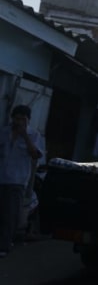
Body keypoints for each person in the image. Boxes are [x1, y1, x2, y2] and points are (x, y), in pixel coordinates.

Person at [0, 105, 43, 258]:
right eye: (16, 118)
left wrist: (24, 135)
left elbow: (36, 155)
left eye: (22, 119)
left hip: (17, 180)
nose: (18, 122)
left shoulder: (33, 135)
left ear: (27, 120)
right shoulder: (4, 132)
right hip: (2, 177)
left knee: (10, 214)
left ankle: (4, 245)